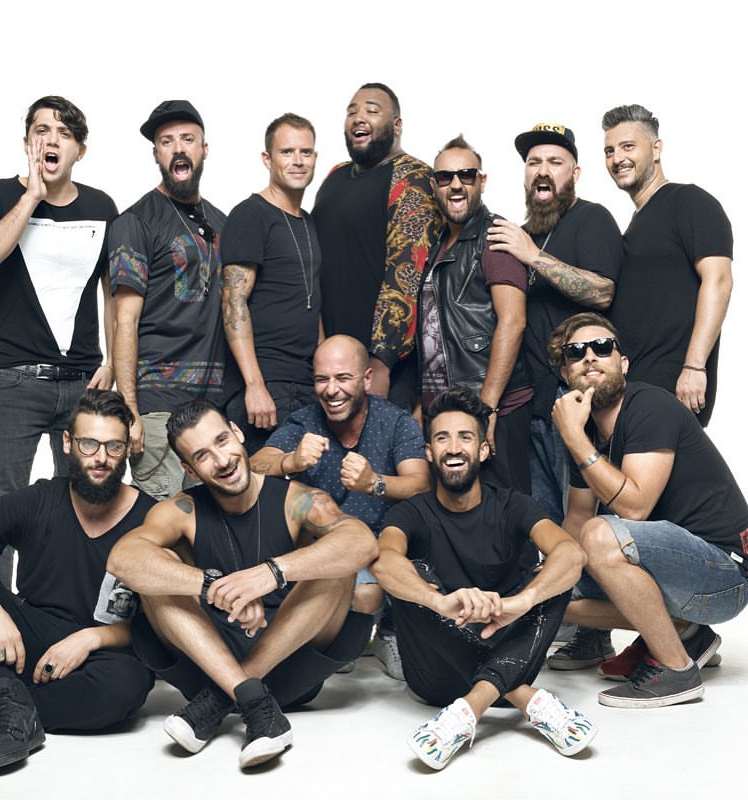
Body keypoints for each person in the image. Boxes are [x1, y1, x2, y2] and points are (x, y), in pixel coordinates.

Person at [106, 399, 377, 769]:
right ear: (189, 469)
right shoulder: (182, 509)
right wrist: (213, 586)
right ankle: (248, 695)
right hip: (208, 662)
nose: (221, 460)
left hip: (289, 666)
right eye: (202, 456)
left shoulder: (296, 500)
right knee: (155, 569)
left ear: (237, 433)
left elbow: (361, 543)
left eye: (222, 441)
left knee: (337, 561)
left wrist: (270, 573)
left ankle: (229, 695)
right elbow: (123, 559)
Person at [372, 386, 596, 770]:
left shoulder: (513, 505)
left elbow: (571, 555)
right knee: (411, 573)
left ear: (483, 449)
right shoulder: (410, 513)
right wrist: (440, 602)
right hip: (435, 675)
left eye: (465, 437)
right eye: (442, 438)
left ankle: (468, 711)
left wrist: (518, 604)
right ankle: (527, 698)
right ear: (429, 453)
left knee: (553, 576)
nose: (453, 448)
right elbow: (384, 562)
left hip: (508, 648)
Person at [0, 390, 155, 775]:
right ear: (67, 443)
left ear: (128, 449)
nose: (101, 458)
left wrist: (91, 638)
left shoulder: (152, 518)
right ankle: (2, 696)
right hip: (26, 640)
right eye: (89, 443)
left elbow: (159, 627)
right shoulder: (39, 499)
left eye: (113, 446)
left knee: (126, 687)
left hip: (104, 652)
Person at [550, 312, 747, 708]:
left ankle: (676, 669)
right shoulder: (585, 433)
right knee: (554, 588)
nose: (590, 357)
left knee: (600, 535)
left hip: (725, 575)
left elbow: (634, 507)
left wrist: (573, 438)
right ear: (565, 373)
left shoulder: (649, 406)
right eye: (576, 352)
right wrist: (545, 578)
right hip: (675, 570)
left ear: (622, 363)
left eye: (602, 347)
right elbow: (576, 518)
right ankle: (686, 634)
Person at [0, 95, 117, 587]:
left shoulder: (101, 206)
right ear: (28, 141)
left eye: (64, 133)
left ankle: (61, 608)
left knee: (85, 502)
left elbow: (113, 295)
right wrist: (30, 196)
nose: (52, 139)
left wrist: (114, 362)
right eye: (42, 130)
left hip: (83, 383)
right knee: (1, 509)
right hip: (14, 382)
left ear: (80, 151)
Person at [251, 335, 429, 678]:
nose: (331, 390)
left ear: (366, 379)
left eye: (343, 378)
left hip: (381, 549)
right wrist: (290, 461)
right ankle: (340, 634)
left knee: (369, 593)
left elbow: (421, 485)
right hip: (324, 552)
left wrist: (375, 483)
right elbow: (254, 466)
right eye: (322, 379)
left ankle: (383, 632)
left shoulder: (395, 421)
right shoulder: (304, 422)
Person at [486, 122, 622, 526]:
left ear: (574, 173)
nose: (542, 171)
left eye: (555, 162)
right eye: (534, 163)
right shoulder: (524, 234)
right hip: (532, 402)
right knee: (542, 523)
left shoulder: (592, 218)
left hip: (578, 396)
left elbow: (602, 292)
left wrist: (532, 256)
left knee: (583, 518)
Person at [109, 99, 227, 500]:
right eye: (166, 141)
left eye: (187, 139)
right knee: (161, 521)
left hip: (213, 408)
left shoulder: (223, 222)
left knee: (214, 524)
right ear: (156, 154)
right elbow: (124, 321)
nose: (178, 149)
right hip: (157, 407)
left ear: (204, 149)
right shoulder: (135, 221)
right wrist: (130, 410)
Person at [312, 82, 441, 410]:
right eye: (351, 112)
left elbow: (408, 271)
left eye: (371, 110)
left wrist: (381, 360)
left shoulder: (413, 177)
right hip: (330, 363)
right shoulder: (335, 176)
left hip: (383, 367)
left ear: (396, 125)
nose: (359, 118)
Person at [602, 104, 732, 427]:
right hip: (633, 393)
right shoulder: (634, 225)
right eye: (609, 151)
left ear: (656, 149)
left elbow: (718, 280)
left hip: (672, 389)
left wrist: (694, 367)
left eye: (628, 146)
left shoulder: (689, 202)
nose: (617, 158)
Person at [418, 134, 532, 494]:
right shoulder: (439, 243)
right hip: (449, 413)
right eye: (444, 177)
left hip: (491, 409)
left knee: (506, 512)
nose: (455, 184)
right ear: (434, 187)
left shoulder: (494, 237)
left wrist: (487, 409)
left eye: (466, 175)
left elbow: (513, 322)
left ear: (482, 182)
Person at [221, 113, 322, 453]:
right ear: (268, 159)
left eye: (305, 152)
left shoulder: (308, 222)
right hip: (266, 382)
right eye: (287, 152)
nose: (298, 161)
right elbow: (233, 303)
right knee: (263, 481)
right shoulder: (251, 214)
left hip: (305, 383)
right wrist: (254, 385)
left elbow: (312, 300)